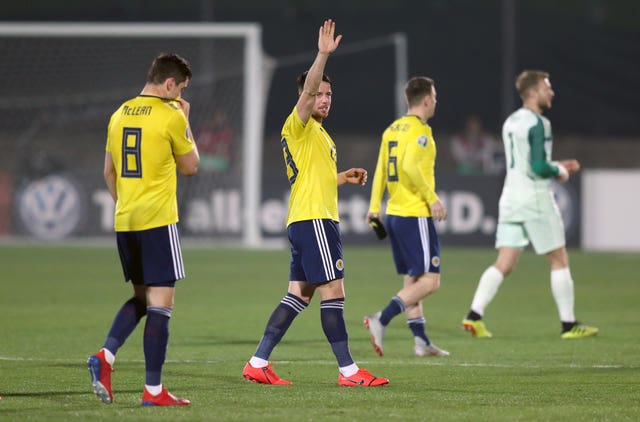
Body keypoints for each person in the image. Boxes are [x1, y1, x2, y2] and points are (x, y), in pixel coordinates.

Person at [242, 19, 388, 387]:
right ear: (306, 97)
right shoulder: (299, 124)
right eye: (319, 94)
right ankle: (349, 372)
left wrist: (342, 177)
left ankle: (257, 362)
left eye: (328, 95)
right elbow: (306, 93)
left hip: (307, 219)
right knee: (334, 292)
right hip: (314, 221)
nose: (324, 99)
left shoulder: (319, 135)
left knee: (297, 296)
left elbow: (312, 178)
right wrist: (322, 55)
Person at [87, 52, 200, 406]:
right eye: (179, 88)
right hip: (157, 222)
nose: (179, 95)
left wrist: (126, 203)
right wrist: (185, 120)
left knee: (141, 298)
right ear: (169, 84)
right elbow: (191, 166)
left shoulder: (119, 113)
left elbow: (108, 171)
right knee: (161, 304)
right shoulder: (170, 115)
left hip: (125, 220)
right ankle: (153, 391)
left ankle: (105, 356)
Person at [461, 70, 598, 339]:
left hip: (510, 197)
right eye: (547, 88)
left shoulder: (510, 121)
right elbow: (537, 167)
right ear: (533, 92)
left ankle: (474, 315)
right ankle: (568, 325)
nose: (552, 92)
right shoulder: (539, 123)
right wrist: (560, 170)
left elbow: (524, 162)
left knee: (504, 262)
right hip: (535, 198)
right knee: (559, 259)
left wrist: (556, 164)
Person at [364, 76, 450, 358]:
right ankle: (381, 318)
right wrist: (432, 198)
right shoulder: (420, 131)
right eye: (434, 96)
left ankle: (421, 341)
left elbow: (380, 169)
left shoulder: (392, 129)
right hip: (415, 213)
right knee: (431, 281)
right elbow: (411, 166)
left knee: (412, 281)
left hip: (395, 214)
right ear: (426, 100)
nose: (436, 101)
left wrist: (374, 206)